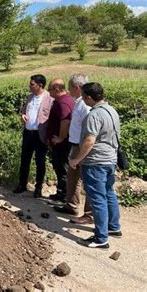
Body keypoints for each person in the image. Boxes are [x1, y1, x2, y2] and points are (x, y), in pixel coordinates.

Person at [69, 82, 122, 249]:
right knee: (108, 193)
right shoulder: (111, 110)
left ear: (89, 97)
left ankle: (101, 238)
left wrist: (76, 160)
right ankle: (113, 227)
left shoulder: (94, 115)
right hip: (110, 159)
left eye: (84, 97)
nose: (82, 100)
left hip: (95, 161)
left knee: (97, 199)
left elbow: (89, 141)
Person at [53, 74, 93, 224]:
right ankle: (71, 205)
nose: (68, 91)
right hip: (75, 144)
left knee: (87, 179)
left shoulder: (86, 105)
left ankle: (89, 214)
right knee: (72, 177)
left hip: (83, 146)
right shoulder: (78, 102)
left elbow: (90, 129)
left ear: (77, 87)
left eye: (69, 88)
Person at [14, 74, 54, 197]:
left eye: (32, 84)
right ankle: (22, 184)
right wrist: (22, 115)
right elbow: (24, 111)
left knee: (40, 162)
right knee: (25, 159)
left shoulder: (49, 98)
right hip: (28, 132)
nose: (29, 86)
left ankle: (38, 188)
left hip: (40, 134)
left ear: (40, 85)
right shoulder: (30, 97)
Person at [46, 78, 75, 202]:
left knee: (62, 168)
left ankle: (64, 195)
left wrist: (61, 137)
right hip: (61, 142)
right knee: (60, 168)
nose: (49, 92)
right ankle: (61, 192)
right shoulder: (64, 100)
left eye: (50, 89)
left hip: (62, 144)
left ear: (57, 89)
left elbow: (65, 121)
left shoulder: (62, 102)